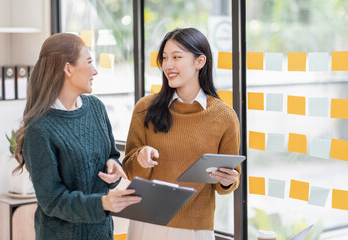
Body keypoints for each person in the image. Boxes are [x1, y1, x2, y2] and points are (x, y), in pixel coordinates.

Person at [13, 33, 141, 240]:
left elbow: (111, 155)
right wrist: (103, 204)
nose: (95, 71)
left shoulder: (96, 109)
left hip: (102, 234)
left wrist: (113, 166)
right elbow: (52, 201)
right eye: (89, 62)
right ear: (68, 68)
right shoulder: (40, 129)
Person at [122, 27, 241, 240]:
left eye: (176, 57)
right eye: (165, 58)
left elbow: (226, 185)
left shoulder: (225, 116)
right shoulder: (145, 108)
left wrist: (227, 180)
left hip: (196, 229)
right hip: (147, 223)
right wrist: (140, 158)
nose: (168, 65)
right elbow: (130, 172)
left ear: (200, 62)